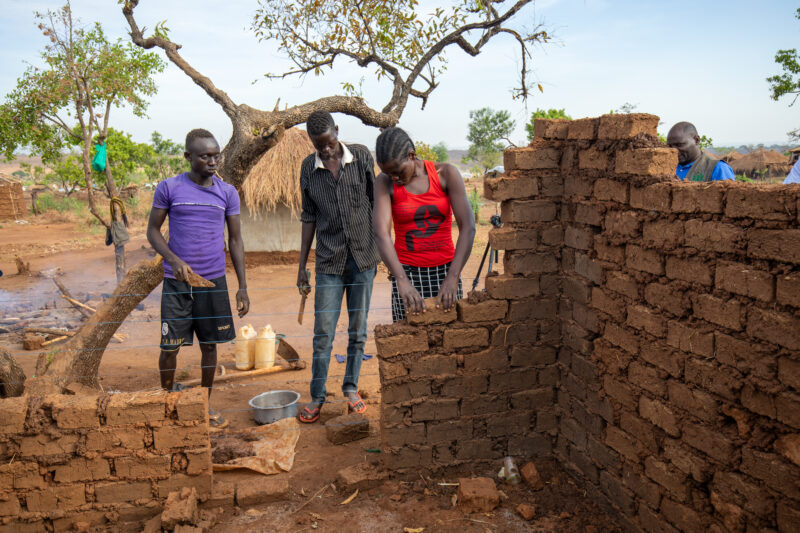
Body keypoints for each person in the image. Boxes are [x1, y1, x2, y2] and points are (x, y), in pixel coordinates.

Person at [147, 128, 249, 429]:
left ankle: (204, 405)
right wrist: (174, 260)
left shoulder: (227, 193)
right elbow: (153, 231)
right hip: (177, 282)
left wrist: (242, 286)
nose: (213, 161)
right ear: (188, 157)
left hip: (213, 281)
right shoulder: (169, 188)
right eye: (205, 156)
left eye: (216, 155)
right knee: (169, 346)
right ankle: (167, 402)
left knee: (210, 345)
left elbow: (236, 240)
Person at [296, 111, 379, 423]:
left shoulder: (360, 157)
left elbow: (376, 202)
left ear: (337, 133)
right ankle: (317, 396)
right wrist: (302, 265)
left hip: (363, 258)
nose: (326, 150)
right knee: (323, 333)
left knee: (357, 331)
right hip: (329, 261)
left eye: (329, 143)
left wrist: (382, 247)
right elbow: (308, 217)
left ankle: (351, 388)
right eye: (319, 146)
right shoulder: (309, 168)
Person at [372, 127, 475, 322]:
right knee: (410, 343)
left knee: (449, 337)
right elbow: (381, 233)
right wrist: (401, 280)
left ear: (411, 155)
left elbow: (468, 226)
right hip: (406, 272)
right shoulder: (384, 182)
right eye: (388, 173)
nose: (394, 178)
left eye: (397, 172)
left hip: (446, 270)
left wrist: (453, 276)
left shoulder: (446, 174)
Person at [667, 122, 734, 182]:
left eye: (679, 145)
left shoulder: (718, 168)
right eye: (670, 146)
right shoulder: (667, 167)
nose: (674, 150)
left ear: (696, 140)